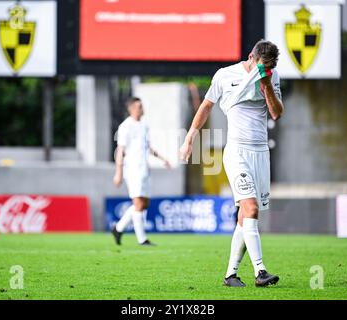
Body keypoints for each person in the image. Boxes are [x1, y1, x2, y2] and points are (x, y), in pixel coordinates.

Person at [180, 40, 284, 287]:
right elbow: (206, 106)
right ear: (251, 57)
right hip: (236, 151)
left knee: (244, 216)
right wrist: (189, 139)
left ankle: (230, 275)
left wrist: (267, 83)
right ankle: (261, 271)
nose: (265, 70)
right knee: (251, 208)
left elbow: (277, 113)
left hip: (260, 153)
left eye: (269, 67)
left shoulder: (271, 76)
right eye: (262, 66)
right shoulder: (225, 75)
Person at [112, 97, 170, 246]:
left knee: (144, 204)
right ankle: (142, 239)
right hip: (132, 169)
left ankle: (118, 228)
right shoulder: (125, 126)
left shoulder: (144, 125)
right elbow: (120, 150)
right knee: (138, 202)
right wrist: (118, 172)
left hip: (144, 168)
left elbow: (148, 147)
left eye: (142, 106)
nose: (142, 109)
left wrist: (163, 159)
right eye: (139, 106)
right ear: (131, 108)